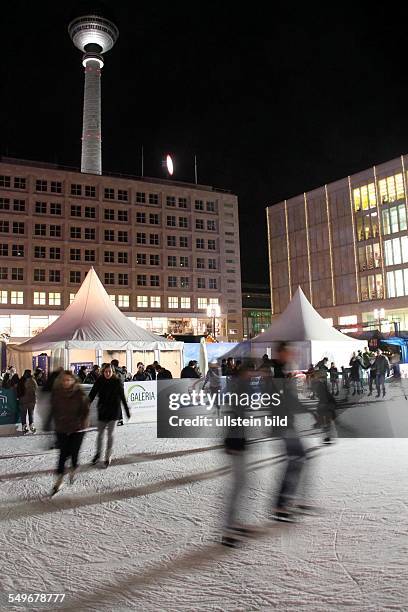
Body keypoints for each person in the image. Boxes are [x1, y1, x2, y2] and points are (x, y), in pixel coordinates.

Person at [47, 370, 90, 495]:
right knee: (62, 455)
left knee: (74, 454)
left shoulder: (80, 394)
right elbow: (53, 410)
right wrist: (49, 423)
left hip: (77, 429)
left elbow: (85, 412)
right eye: (64, 380)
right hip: (61, 429)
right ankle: (59, 481)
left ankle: (74, 468)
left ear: (73, 380)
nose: (66, 382)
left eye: (68, 380)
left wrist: (81, 424)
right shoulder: (57, 394)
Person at [89, 364, 130, 467]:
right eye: (105, 372)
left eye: (109, 372)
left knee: (110, 434)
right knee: (100, 434)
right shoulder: (99, 381)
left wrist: (126, 411)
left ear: (112, 372)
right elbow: (92, 394)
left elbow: (122, 397)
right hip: (102, 411)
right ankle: (98, 454)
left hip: (113, 411)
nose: (107, 373)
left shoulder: (117, 382)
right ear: (103, 372)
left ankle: (108, 456)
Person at [17, 370, 37, 434]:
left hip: (23, 401)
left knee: (23, 415)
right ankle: (32, 426)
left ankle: (24, 427)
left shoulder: (21, 380)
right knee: (31, 414)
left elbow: (18, 390)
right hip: (31, 401)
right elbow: (36, 388)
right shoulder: (32, 380)